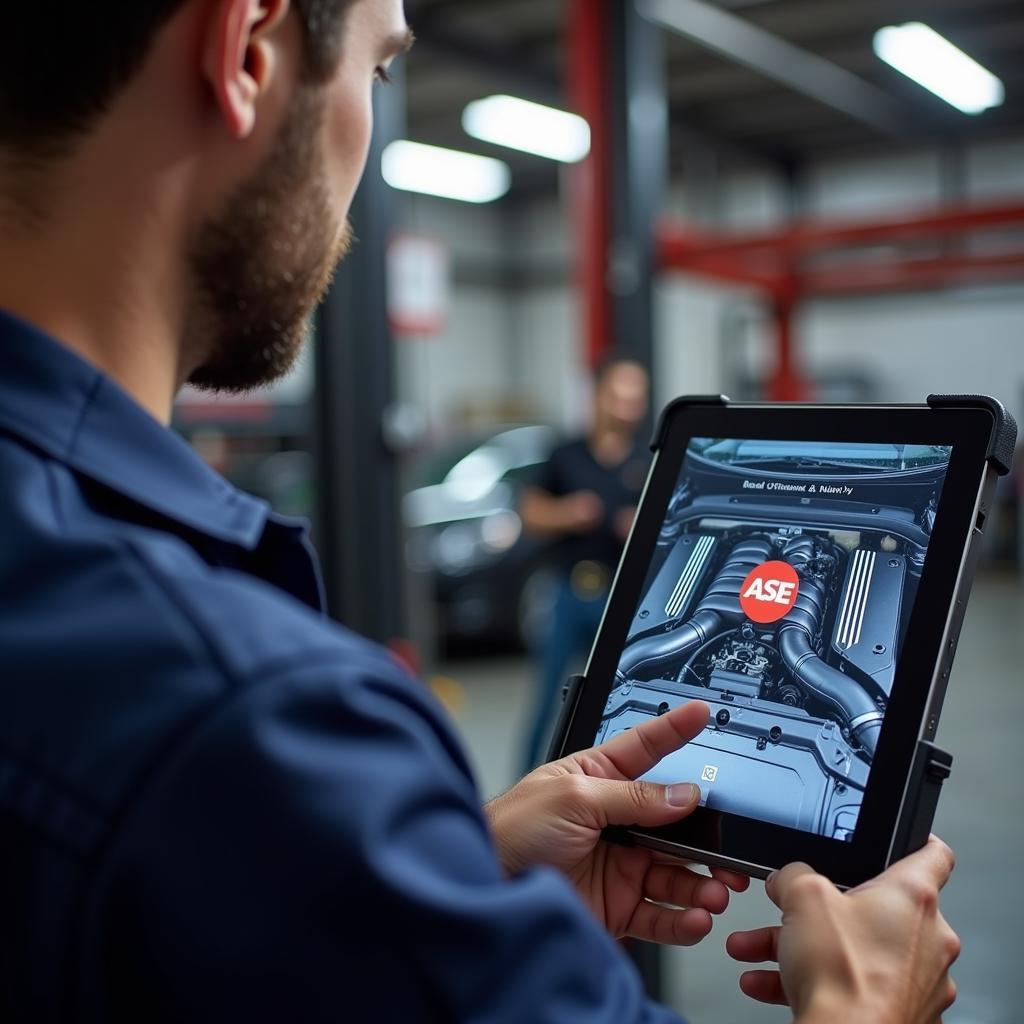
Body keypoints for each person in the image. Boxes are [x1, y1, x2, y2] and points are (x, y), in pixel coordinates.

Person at [0, 1, 960, 1021]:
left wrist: (451, 880)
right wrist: (867, 1007)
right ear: (247, 48)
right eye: (376, 71)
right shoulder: (246, 713)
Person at [519, 354, 651, 770]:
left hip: (620, 597)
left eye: (635, 398)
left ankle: (606, 781)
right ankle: (526, 782)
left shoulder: (649, 460)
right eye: (618, 395)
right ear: (598, 396)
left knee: (620, 696)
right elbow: (530, 512)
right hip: (567, 591)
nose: (626, 406)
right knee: (548, 697)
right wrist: (568, 513)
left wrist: (641, 528)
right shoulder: (566, 454)